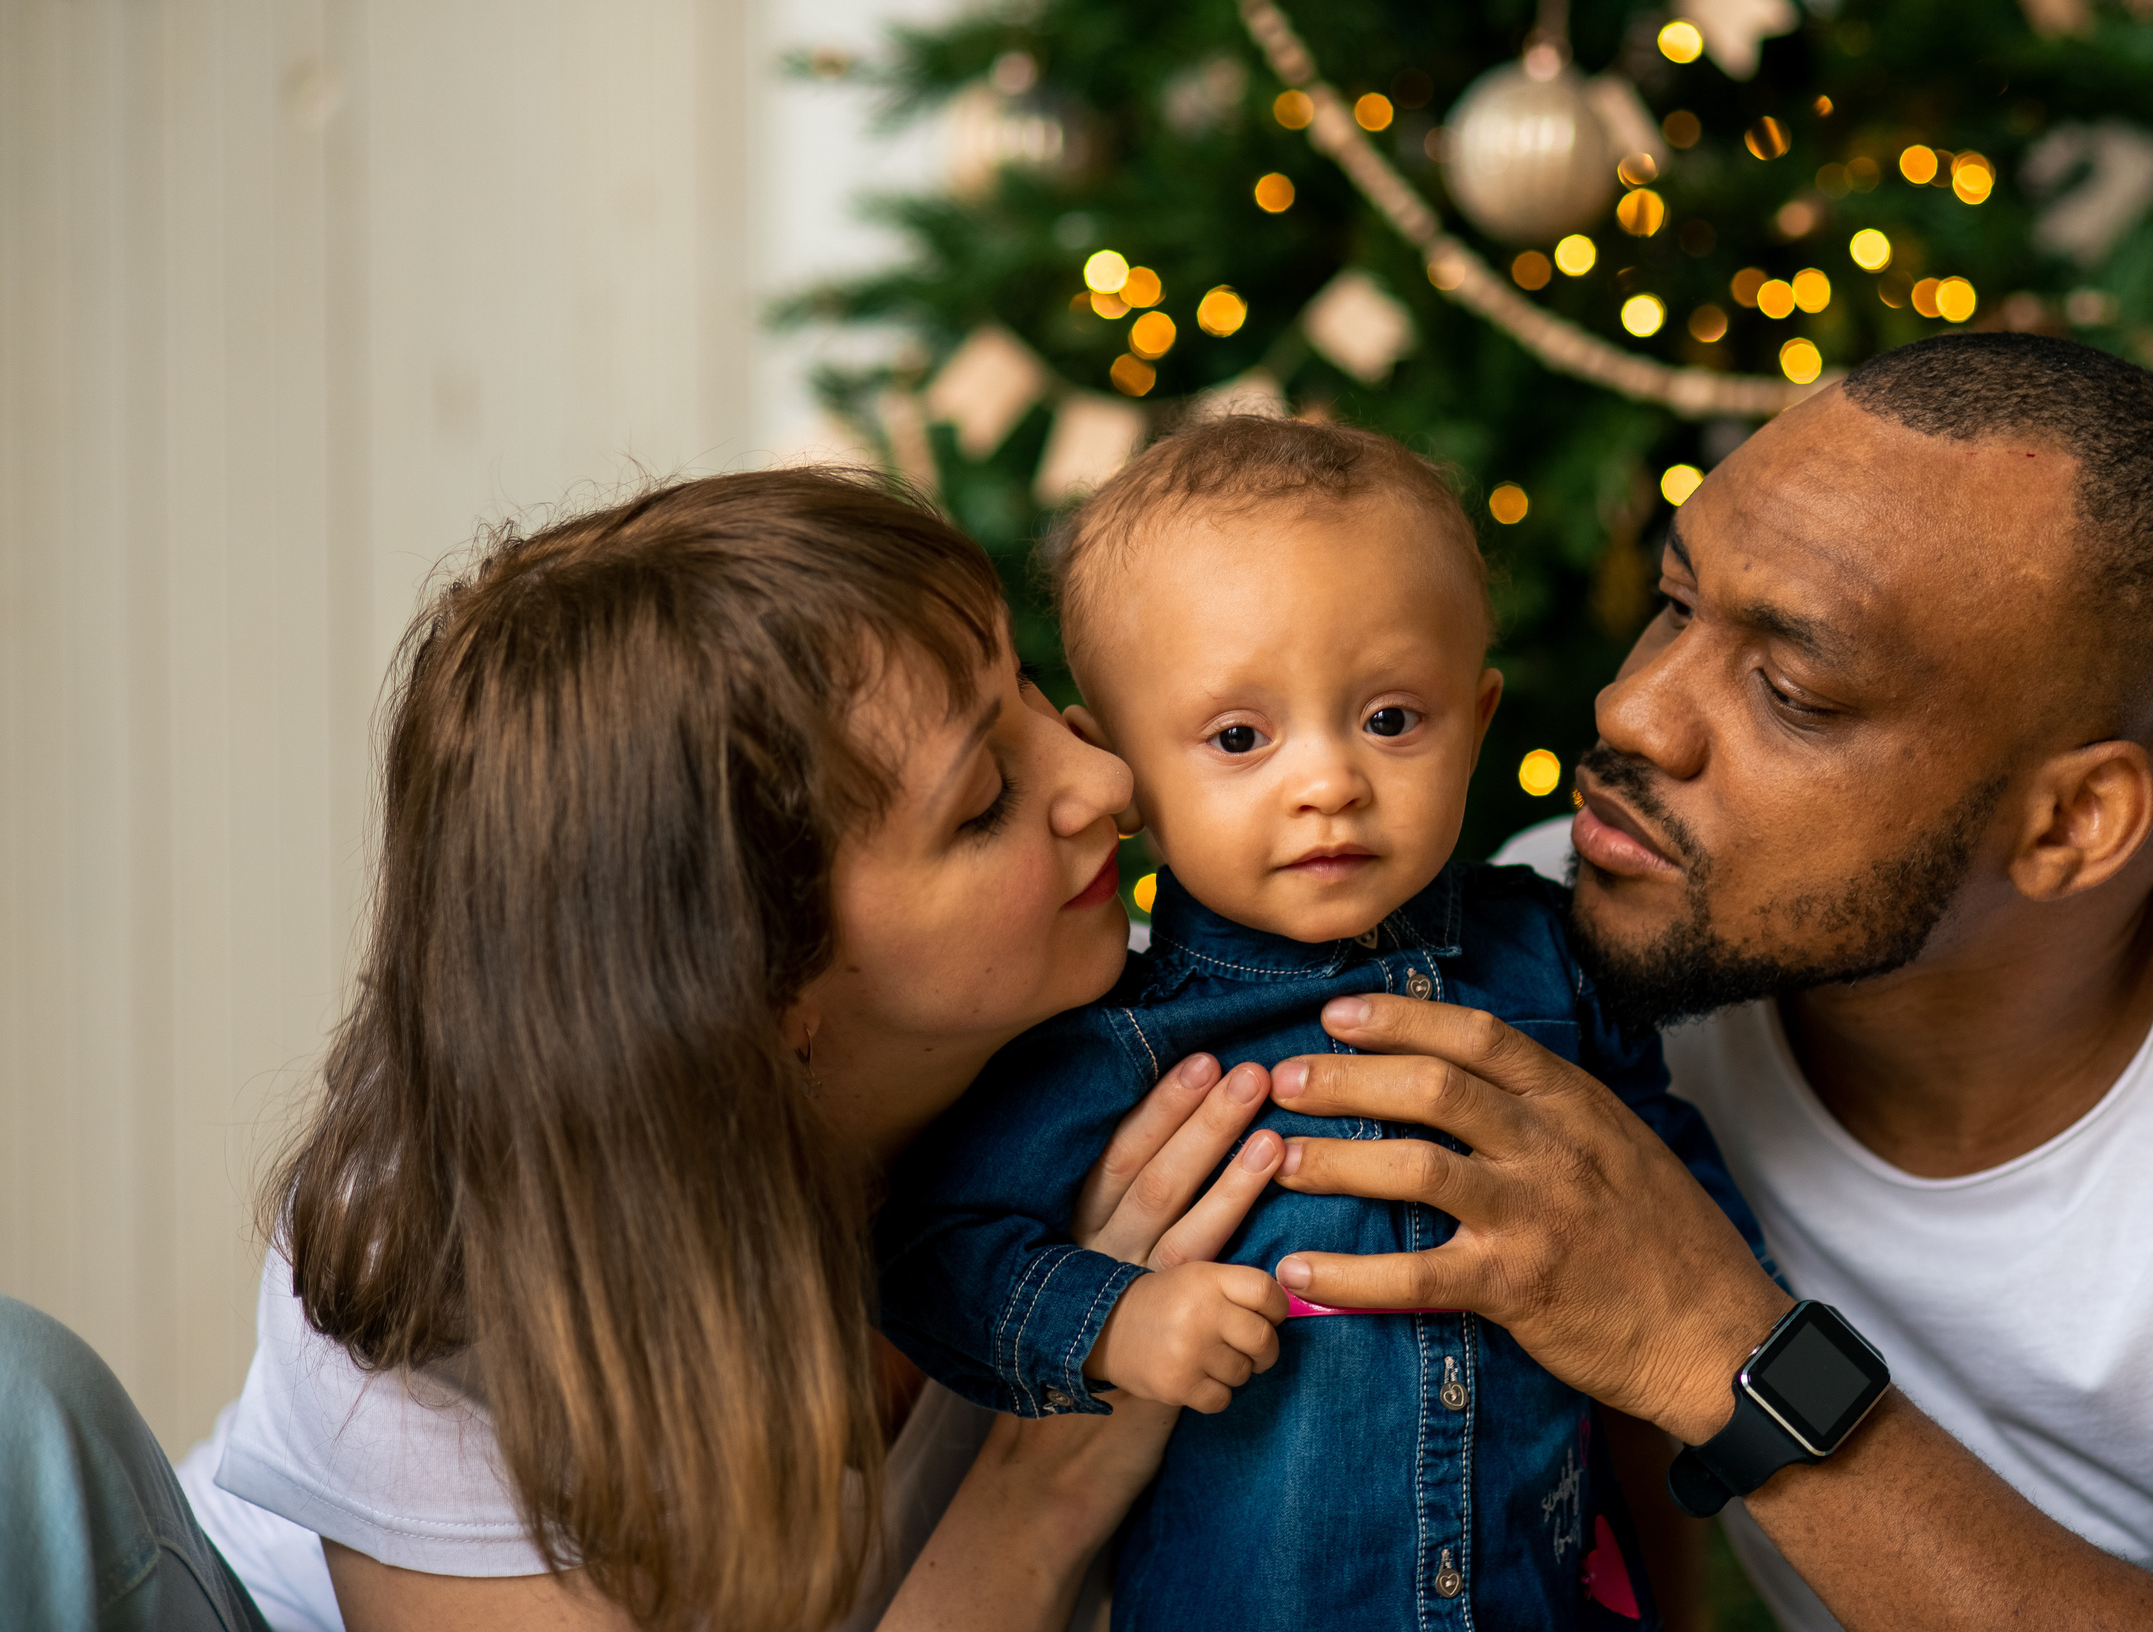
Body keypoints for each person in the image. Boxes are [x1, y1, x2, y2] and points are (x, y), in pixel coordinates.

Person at [1254, 335, 2153, 1629]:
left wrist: (1715, 1345)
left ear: (2070, 825)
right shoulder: (1580, 929)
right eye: (1674, 600)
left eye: (1792, 689)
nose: (1632, 711)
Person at [1, 466, 1292, 1632]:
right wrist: (1045, 1487)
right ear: (761, 992)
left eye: (1025, 692)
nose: (1106, 781)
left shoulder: (1125, 1051)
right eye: (985, 804)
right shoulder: (438, 1284)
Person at [874, 418, 1767, 1629]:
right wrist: (1113, 1320)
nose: (1328, 781)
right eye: (1240, 738)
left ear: (1480, 714)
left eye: (1391, 718)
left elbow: (1664, 1178)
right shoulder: (1121, 1038)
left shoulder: (1552, 955)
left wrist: (1735, 1351)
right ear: (1122, 764)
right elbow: (934, 1252)